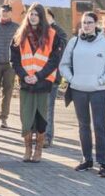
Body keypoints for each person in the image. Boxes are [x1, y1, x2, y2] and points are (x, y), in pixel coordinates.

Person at [59, 12, 105, 177]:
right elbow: (64, 65)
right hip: (79, 90)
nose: (86, 25)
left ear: (96, 24)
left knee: (100, 126)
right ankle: (87, 159)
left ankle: (103, 163)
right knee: (83, 126)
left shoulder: (104, 44)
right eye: (84, 22)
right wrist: (72, 79)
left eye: (90, 23)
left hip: (99, 91)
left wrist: (102, 80)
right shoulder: (74, 42)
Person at [11, 3, 64, 163]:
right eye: (31, 14)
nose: (33, 17)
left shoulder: (52, 35)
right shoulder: (19, 35)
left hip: (43, 83)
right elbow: (14, 60)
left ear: (42, 17)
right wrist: (24, 75)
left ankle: (38, 150)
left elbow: (54, 60)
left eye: (36, 14)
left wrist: (39, 76)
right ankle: (27, 149)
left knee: (41, 118)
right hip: (26, 82)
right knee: (26, 118)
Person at [44, 8, 68, 148]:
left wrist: (51, 27)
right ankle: (38, 134)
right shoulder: (37, 30)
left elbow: (62, 47)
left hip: (52, 76)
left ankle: (47, 136)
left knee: (48, 107)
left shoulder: (59, 31)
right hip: (36, 76)